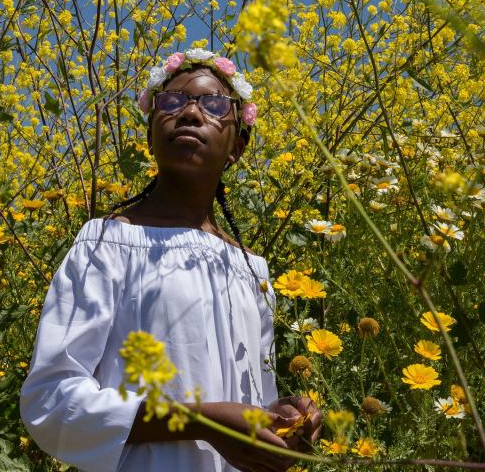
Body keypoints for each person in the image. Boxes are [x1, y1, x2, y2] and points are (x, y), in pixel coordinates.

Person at [20, 48, 321, 471]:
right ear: (150, 136)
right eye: (172, 102)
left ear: (238, 145)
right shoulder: (106, 245)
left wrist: (282, 419)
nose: (191, 114)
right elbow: (53, 400)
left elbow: (248, 404)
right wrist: (198, 421)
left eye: (215, 105)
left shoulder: (252, 269)